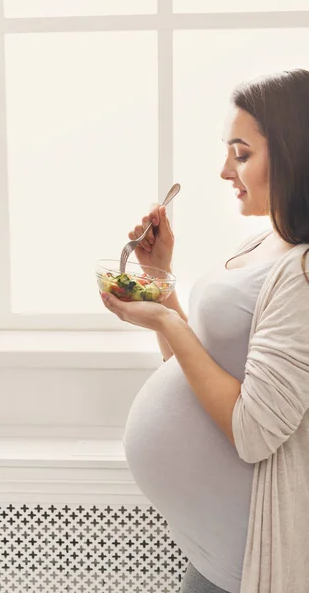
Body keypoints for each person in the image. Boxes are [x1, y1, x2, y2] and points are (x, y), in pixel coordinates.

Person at [100, 68, 309, 593]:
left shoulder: (304, 272)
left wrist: (167, 318)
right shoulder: (265, 243)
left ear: (293, 155)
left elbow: (254, 431)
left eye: (241, 154)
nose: (223, 171)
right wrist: (160, 280)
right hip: (216, 554)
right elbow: (196, 375)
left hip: (253, 559)